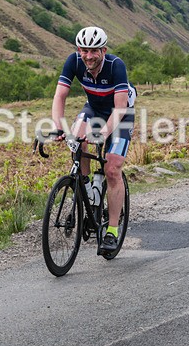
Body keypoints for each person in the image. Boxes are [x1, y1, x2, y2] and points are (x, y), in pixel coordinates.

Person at [51, 26, 136, 255]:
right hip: (94, 109)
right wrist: (58, 127)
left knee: (112, 168)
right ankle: (89, 191)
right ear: (79, 49)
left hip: (120, 114)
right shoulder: (74, 61)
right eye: (84, 50)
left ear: (103, 50)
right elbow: (60, 95)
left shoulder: (115, 66)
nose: (88, 56)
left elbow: (119, 109)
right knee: (78, 142)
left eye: (94, 51)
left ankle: (112, 231)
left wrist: (103, 134)